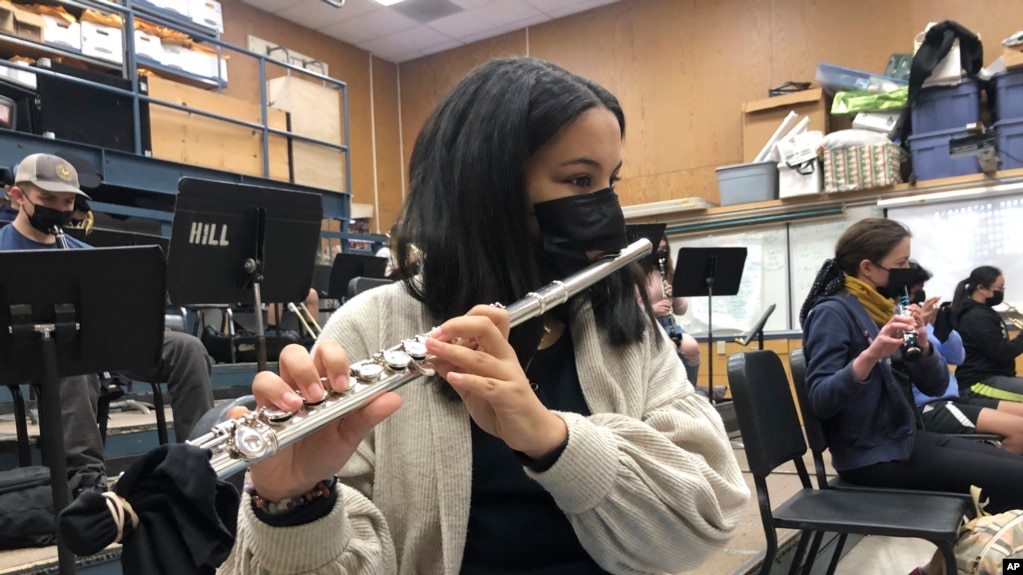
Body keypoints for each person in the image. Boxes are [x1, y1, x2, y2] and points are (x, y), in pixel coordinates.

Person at [219, 57, 749, 574]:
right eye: (580, 181)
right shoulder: (369, 328)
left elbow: (710, 514)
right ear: (488, 188)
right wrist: (296, 508)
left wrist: (554, 440)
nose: (607, 210)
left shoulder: (622, 326)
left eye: (611, 181)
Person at [0, 153, 216, 496]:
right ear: (16, 196)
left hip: (96, 343)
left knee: (187, 349)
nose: (59, 208)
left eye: (68, 201)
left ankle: (204, 462)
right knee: (72, 354)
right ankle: (87, 481)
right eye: (47, 199)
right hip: (24, 350)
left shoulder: (83, 253)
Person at [800, 217, 1023, 523]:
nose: (907, 270)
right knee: (1014, 483)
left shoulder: (883, 308)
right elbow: (821, 400)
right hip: (872, 455)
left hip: (905, 438)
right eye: (901, 262)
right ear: (868, 268)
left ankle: (942, 568)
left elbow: (934, 386)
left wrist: (924, 347)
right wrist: (872, 354)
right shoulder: (832, 312)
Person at [907, 262, 1023, 454]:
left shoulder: (923, 319)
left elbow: (956, 357)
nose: (920, 295)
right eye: (916, 290)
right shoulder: (974, 316)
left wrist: (942, 329)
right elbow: (1000, 353)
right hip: (933, 403)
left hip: (953, 396)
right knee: (1019, 430)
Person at [952, 265, 1023, 403]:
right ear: (981, 289)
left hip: (994, 377)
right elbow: (1002, 353)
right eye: (999, 288)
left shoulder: (984, 312)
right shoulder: (976, 317)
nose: (1001, 292)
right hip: (978, 383)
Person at [643, 235, 701, 385]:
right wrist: (652, 309)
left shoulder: (668, 273)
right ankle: (672, 391)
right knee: (671, 348)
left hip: (668, 324)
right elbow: (630, 308)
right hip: (648, 325)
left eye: (664, 249)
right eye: (658, 249)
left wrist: (676, 293)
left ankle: (691, 390)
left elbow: (681, 310)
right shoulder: (639, 275)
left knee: (692, 347)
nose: (661, 253)